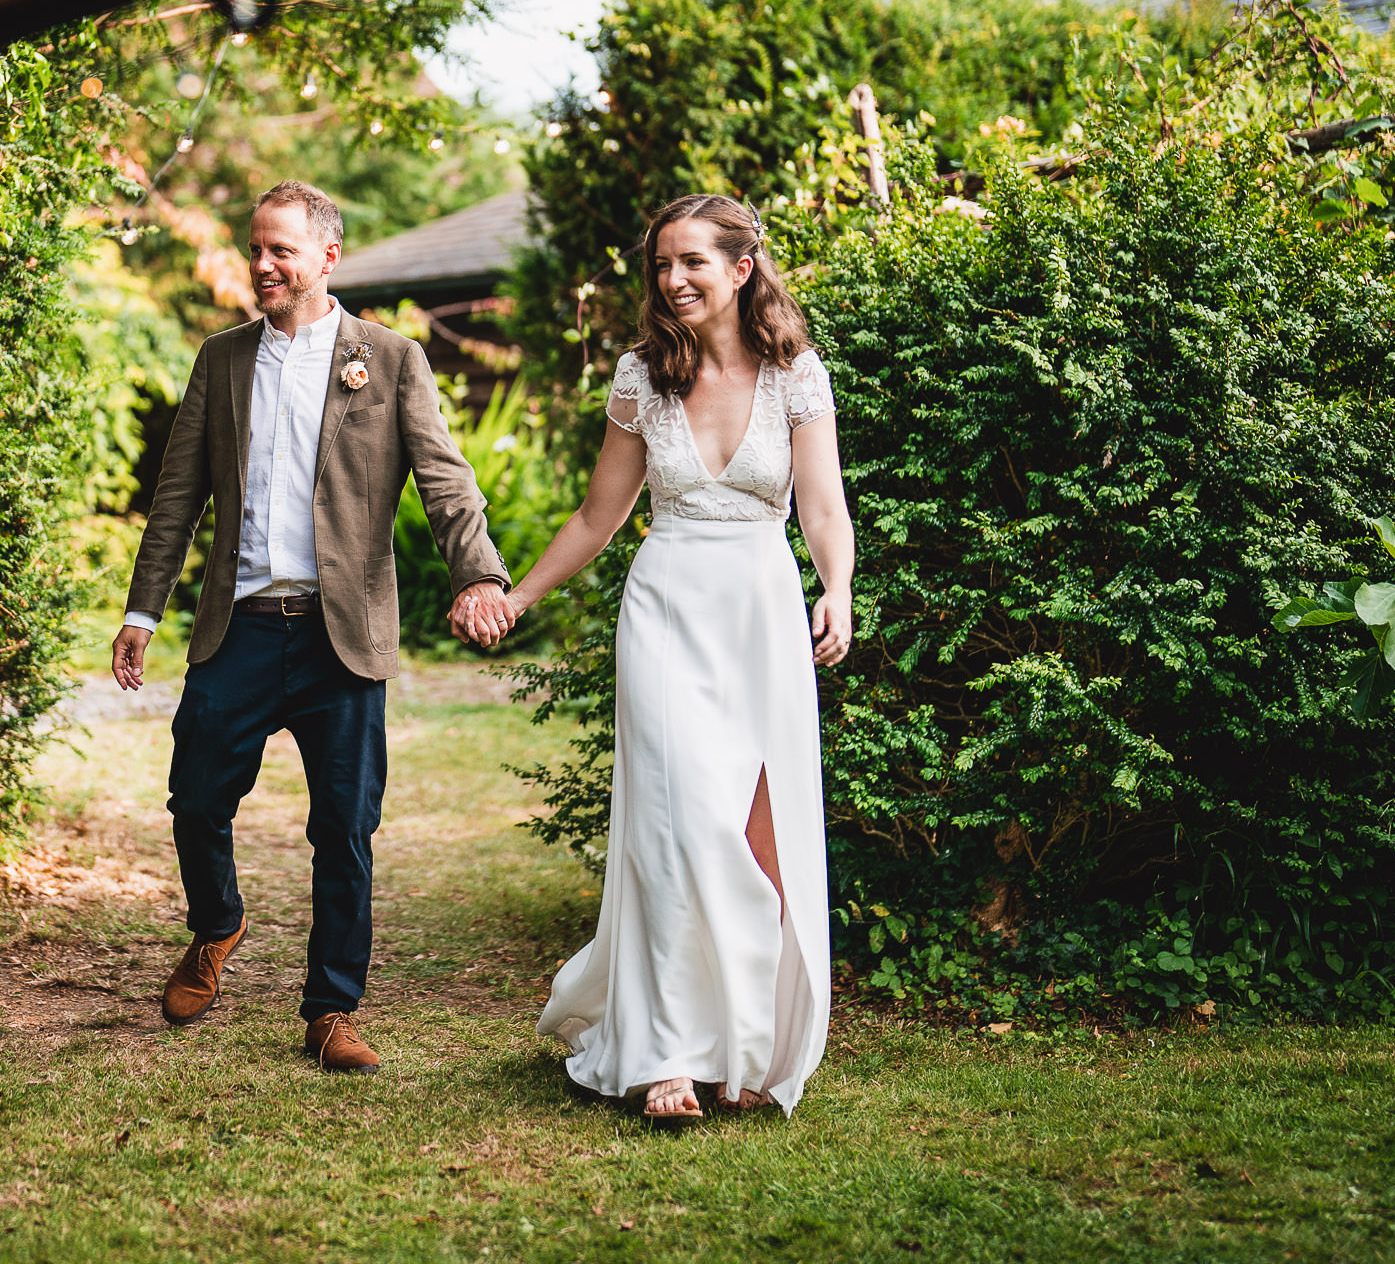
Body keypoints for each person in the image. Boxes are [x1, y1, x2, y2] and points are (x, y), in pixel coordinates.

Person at [112, 179, 514, 1074]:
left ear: (325, 257)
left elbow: (447, 480)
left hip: (344, 634)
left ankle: (332, 1008)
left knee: (344, 828)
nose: (261, 264)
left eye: (279, 250)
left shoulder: (392, 358)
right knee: (196, 798)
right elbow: (177, 495)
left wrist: (478, 572)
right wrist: (144, 610)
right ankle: (217, 923)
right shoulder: (220, 360)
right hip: (240, 627)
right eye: (255, 247)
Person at [486, 193, 853, 1119]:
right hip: (666, 610)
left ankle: (743, 1046)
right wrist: (518, 594)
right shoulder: (640, 378)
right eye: (662, 264)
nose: (674, 279)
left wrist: (836, 586)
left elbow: (824, 506)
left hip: (762, 615)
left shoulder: (795, 375)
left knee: (758, 842)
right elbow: (597, 516)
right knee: (676, 826)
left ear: (741, 268)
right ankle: (667, 1058)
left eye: (693, 261)